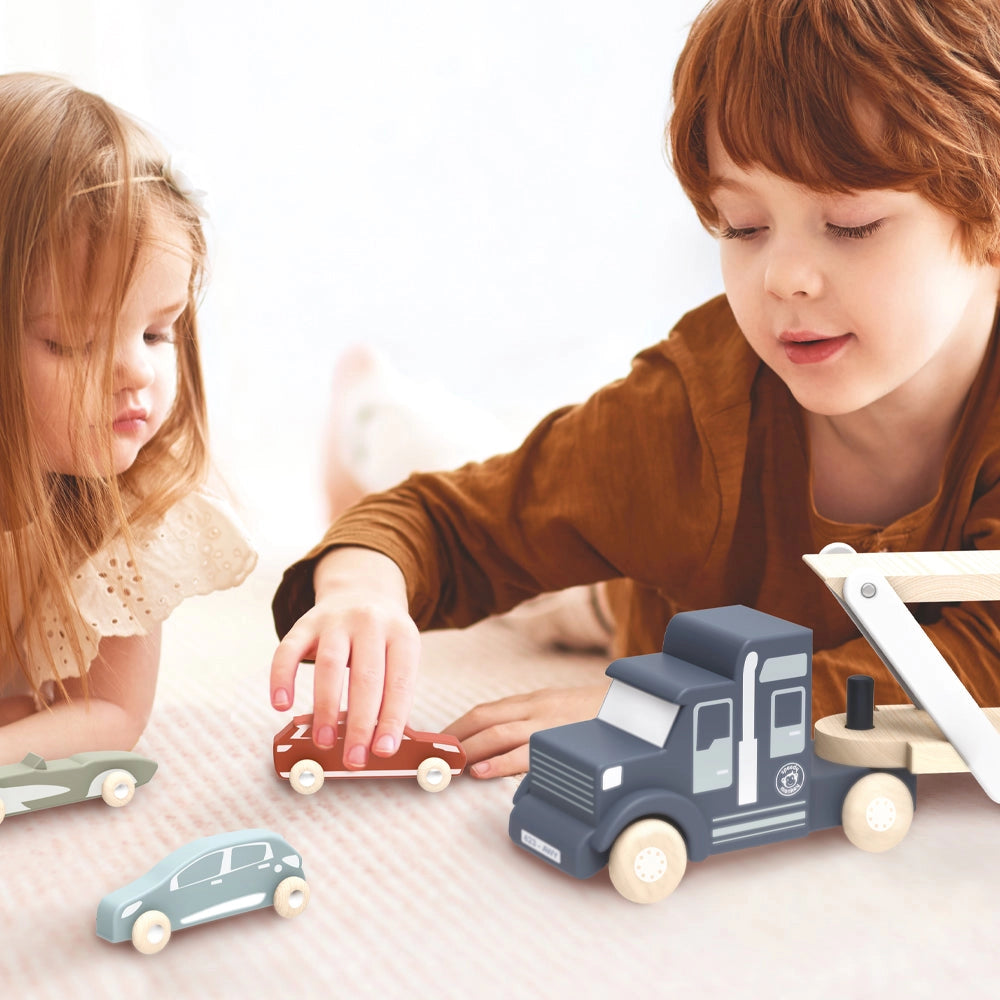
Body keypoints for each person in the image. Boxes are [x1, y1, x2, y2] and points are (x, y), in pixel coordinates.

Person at [271, 0, 1000, 779]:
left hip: (703, 592)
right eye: (743, 226)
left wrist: (661, 706)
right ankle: (372, 419)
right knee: (555, 570)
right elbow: (447, 524)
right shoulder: (685, 417)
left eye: (851, 223)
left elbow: (978, 669)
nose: (785, 277)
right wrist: (365, 584)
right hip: (658, 574)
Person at [0, 73, 256, 763]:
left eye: (158, 332)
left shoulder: (137, 510)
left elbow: (108, 713)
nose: (138, 374)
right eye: (76, 342)